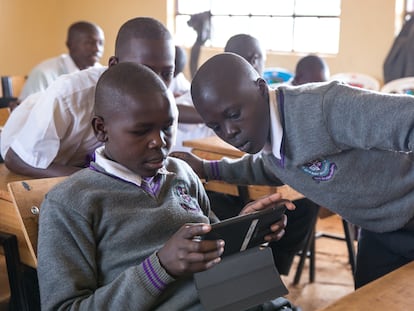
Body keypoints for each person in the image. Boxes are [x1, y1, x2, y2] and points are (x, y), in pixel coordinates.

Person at [37, 62, 293, 310]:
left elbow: (213, 251)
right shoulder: (71, 202)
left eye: (168, 127)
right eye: (141, 131)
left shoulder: (180, 172)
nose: (159, 142)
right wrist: (160, 268)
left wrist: (242, 229)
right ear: (101, 129)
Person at [170, 52, 414, 289]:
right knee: (369, 302)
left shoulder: (324, 107)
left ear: (262, 89)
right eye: (216, 126)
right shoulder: (269, 143)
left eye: (234, 115)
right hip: (380, 230)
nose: (229, 132)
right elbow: (270, 167)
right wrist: (205, 168)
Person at [1, 17, 175, 178]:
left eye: (167, 73)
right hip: (28, 161)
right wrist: (95, 179)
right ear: (114, 65)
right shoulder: (69, 95)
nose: (156, 81)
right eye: (144, 70)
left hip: (85, 171)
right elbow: (17, 159)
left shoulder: (164, 106)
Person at [19, 21, 105, 101]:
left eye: (101, 43)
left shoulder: (101, 74)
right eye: (89, 42)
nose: (97, 49)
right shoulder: (43, 73)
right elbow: (29, 112)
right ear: (70, 45)